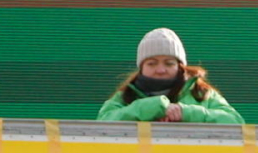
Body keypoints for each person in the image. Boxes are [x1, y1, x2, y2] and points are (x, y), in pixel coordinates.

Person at [98, 27, 242, 125]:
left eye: (169, 63)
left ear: (180, 66)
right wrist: (153, 107)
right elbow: (101, 124)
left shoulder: (201, 93)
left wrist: (186, 112)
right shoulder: (125, 96)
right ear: (141, 68)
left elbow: (235, 122)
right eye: (152, 63)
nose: (160, 70)